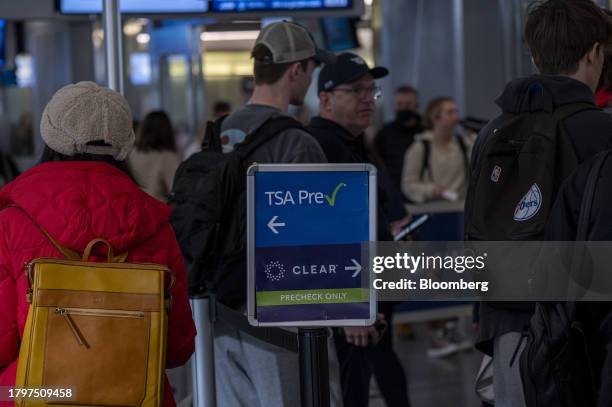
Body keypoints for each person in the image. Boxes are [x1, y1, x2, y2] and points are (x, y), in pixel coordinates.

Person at [0, 82, 196, 407]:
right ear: (122, 146)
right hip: (135, 395)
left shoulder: (10, 223)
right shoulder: (156, 227)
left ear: (50, 137)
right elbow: (177, 348)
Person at [466, 1, 612, 406]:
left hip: (505, 328)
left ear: (534, 54)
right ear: (595, 52)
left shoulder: (492, 131)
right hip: (579, 336)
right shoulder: (602, 132)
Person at [211, 22, 343, 407]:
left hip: (221, 315)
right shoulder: (296, 143)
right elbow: (318, 241)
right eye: (312, 69)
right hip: (281, 320)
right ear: (296, 69)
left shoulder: (217, 134)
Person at [307, 51, 411, 407]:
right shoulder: (321, 147)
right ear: (325, 99)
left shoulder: (353, 144)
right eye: (356, 90)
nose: (368, 99)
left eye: (371, 90)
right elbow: (324, 232)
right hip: (345, 311)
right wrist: (348, 305)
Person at [401, 96, 472, 204]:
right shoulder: (421, 147)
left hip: (460, 207)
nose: (456, 117)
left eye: (456, 112)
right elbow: (408, 184)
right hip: (432, 209)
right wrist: (432, 190)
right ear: (435, 117)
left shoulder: (464, 143)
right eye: (450, 112)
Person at [374, 85, 422, 194]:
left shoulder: (426, 131)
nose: (404, 108)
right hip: (393, 190)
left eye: (408, 104)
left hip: (420, 192)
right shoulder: (385, 132)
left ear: (416, 105)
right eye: (399, 104)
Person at [129, 110, 180, 202]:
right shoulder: (167, 157)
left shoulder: (131, 153)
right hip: (158, 211)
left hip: (134, 210)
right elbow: (176, 190)